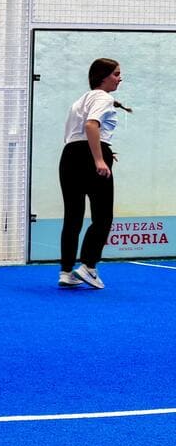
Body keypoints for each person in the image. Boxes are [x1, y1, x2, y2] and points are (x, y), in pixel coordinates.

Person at [58, 57, 130, 290]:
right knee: (103, 216)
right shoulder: (103, 97)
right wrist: (99, 158)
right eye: (116, 74)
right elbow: (91, 125)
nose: (120, 78)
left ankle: (66, 272)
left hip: (70, 156)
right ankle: (88, 266)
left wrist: (103, 150)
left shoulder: (80, 100)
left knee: (73, 216)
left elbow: (77, 134)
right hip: (89, 156)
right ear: (103, 76)